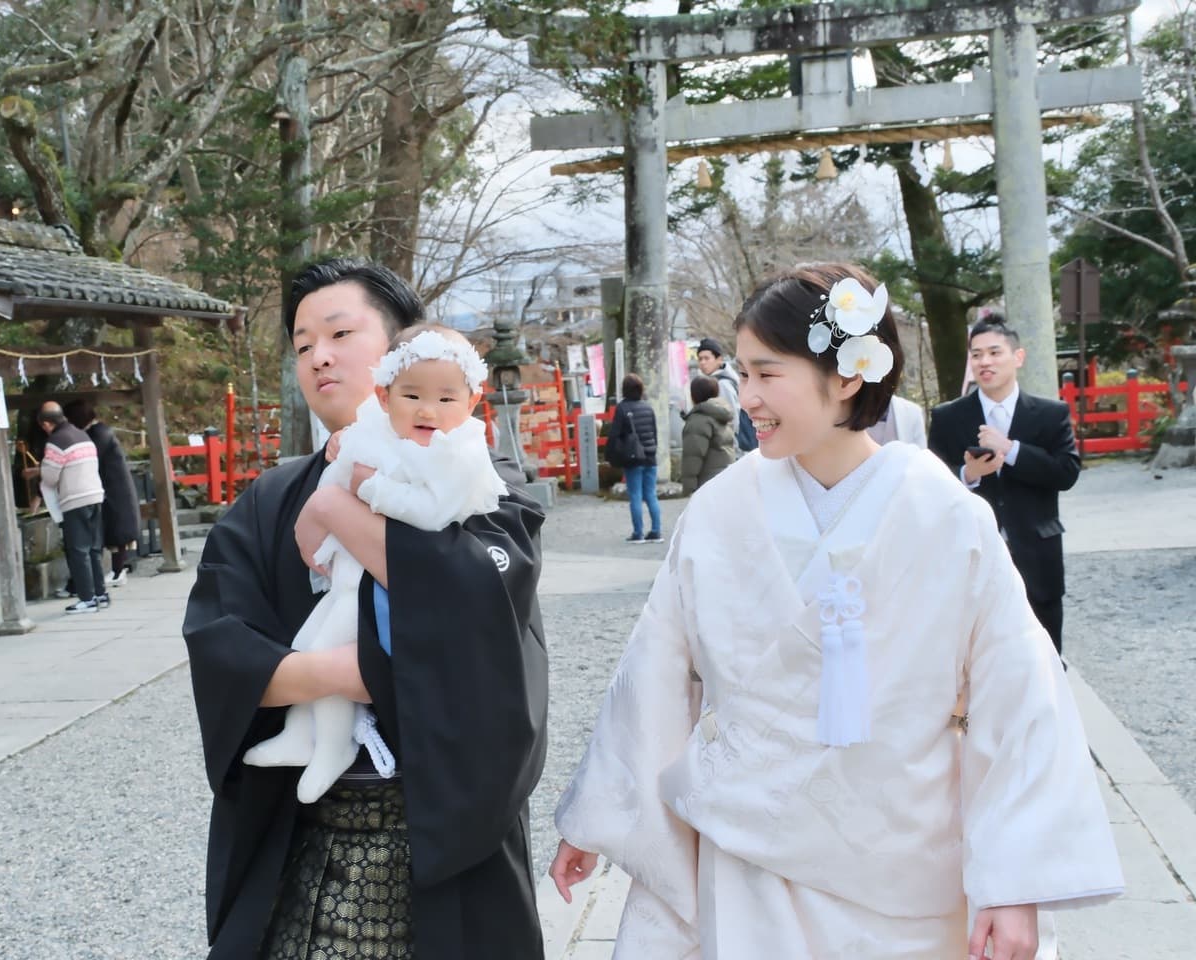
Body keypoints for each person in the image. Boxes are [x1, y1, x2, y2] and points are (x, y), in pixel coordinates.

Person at [549, 263, 1121, 960]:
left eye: (767, 374)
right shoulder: (721, 511)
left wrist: (1012, 882)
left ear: (848, 375)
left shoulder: (941, 512)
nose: (747, 397)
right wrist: (601, 813)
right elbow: (658, 668)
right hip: (752, 846)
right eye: (743, 374)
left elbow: (1018, 692)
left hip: (912, 852)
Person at [182, 258, 547, 960]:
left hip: (444, 834)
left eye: (340, 332)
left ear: (399, 351)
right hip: (302, 833)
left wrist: (337, 510)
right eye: (301, 344)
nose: (319, 355)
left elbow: (484, 609)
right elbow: (222, 652)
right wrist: (361, 671)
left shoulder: (474, 480)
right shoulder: (266, 503)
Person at [243, 324, 509, 805]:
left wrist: (370, 490)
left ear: (472, 402)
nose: (428, 410)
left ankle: (332, 747)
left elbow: (431, 512)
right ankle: (300, 734)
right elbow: (340, 475)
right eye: (412, 395)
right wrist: (336, 477)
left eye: (446, 399)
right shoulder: (376, 431)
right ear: (385, 396)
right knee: (304, 645)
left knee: (326, 651)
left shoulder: (458, 454)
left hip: (380, 582)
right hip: (348, 574)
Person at [928, 319, 1079, 654]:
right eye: (977, 354)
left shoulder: (1051, 414)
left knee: (1045, 656)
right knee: (979, 655)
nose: (985, 362)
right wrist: (967, 474)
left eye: (995, 352)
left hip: (1037, 549)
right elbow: (930, 483)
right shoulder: (948, 416)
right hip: (973, 550)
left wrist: (1012, 450)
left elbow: (1067, 472)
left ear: (1018, 357)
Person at [37, 401, 108, 614]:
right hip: (95, 495)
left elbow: (49, 477)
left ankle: (87, 598)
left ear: (47, 424)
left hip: (75, 499)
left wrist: (39, 473)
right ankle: (100, 593)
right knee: (94, 548)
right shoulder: (82, 435)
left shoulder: (56, 441)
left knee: (78, 551)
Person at [65, 399, 141, 588]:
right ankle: (117, 571)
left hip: (115, 489)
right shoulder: (98, 432)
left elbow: (88, 457)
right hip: (110, 488)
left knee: (118, 530)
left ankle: (118, 571)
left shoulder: (99, 433)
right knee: (114, 530)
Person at [609, 373, 662, 544]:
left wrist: (613, 456)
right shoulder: (648, 407)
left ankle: (638, 533)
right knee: (651, 494)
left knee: (636, 495)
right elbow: (654, 432)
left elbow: (615, 435)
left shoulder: (623, 408)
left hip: (633, 458)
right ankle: (656, 531)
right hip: (650, 457)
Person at [679, 375, 736, 495]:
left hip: (707, 481)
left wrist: (689, 488)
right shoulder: (722, 415)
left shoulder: (699, 420)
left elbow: (693, 456)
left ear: (694, 394)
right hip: (727, 476)